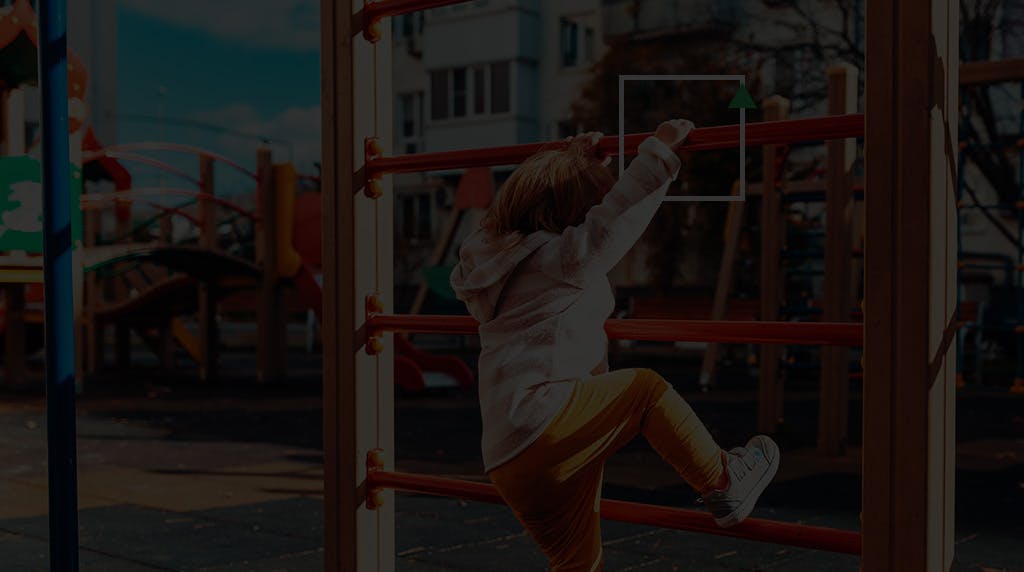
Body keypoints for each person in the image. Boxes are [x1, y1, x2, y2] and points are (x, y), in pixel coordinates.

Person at [450, 120, 779, 571]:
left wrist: (578, 166)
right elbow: (612, 224)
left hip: (508, 459)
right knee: (644, 391)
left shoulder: (488, 265)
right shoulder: (562, 258)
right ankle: (724, 480)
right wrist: (657, 156)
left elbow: (489, 234)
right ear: (574, 216)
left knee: (577, 563)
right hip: (546, 422)